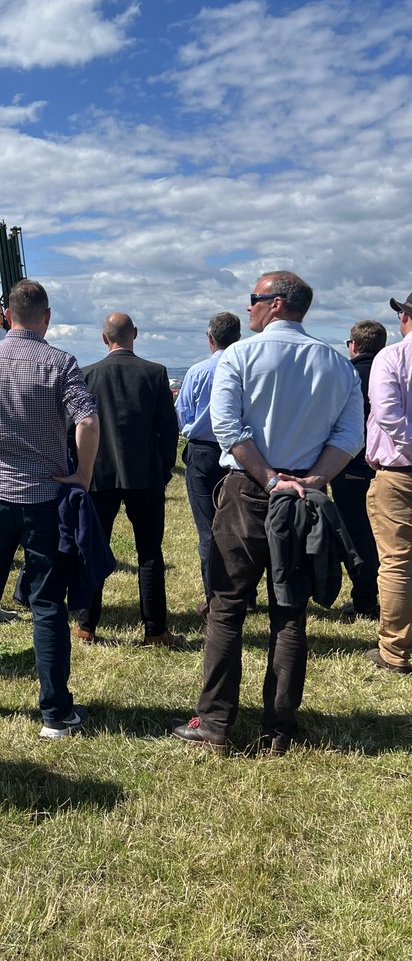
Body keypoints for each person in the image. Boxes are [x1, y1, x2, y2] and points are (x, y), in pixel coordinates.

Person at [172, 271, 363, 753]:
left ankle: (214, 723)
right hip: (304, 498)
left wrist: (271, 478)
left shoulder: (239, 355)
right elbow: (349, 437)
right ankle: (278, 727)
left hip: (249, 491)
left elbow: (228, 428)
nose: (249, 307)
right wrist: (312, 480)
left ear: (275, 304)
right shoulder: (336, 363)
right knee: (288, 612)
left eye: (254, 299)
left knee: (227, 607)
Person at [0, 279, 99, 738]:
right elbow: (87, 420)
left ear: (7, 316)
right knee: (48, 604)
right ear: (45, 318)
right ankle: (55, 713)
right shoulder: (60, 362)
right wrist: (82, 476)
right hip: (45, 497)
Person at [74, 312, 184, 648]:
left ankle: (85, 624)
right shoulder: (155, 373)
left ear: (103, 338)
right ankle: (155, 629)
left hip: (98, 475)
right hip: (145, 476)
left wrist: (82, 469)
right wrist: (163, 469)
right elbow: (169, 431)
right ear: (134, 334)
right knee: (149, 553)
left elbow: (75, 428)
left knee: (93, 549)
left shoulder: (87, 375)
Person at [176, 312, 242, 612]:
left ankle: (215, 597)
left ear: (210, 338)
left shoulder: (198, 372)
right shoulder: (245, 368)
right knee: (241, 525)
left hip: (203, 451)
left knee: (208, 529)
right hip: (241, 453)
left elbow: (183, 415)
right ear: (238, 337)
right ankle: (245, 592)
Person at [364, 293, 412, 674]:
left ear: (405, 318)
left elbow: (388, 415)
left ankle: (394, 651)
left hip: (399, 472)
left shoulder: (392, 357)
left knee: (397, 563)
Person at [330, 320, 387, 621]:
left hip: (349, 465)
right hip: (391, 466)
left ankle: (365, 599)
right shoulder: (392, 371)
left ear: (353, 346)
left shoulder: (345, 376)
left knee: (357, 536)